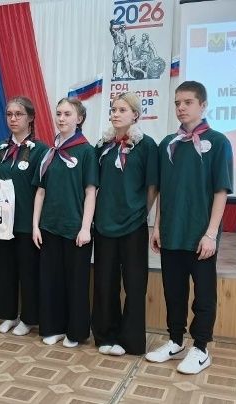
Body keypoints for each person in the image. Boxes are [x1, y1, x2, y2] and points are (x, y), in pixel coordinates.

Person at [146, 81, 233, 374]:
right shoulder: (168, 144)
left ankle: (201, 348)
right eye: (177, 103)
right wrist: (157, 226)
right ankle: (175, 341)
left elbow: (221, 191)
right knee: (174, 291)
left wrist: (211, 234)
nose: (181, 108)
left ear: (203, 105)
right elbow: (163, 190)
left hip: (200, 235)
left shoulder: (218, 142)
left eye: (188, 102)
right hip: (172, 231)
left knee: (204, 294)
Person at [92, 92, 158, 356]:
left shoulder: (147, 145)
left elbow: (152, 187)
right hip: (104, 224)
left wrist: (141, 212)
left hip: (133, 225)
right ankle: (106, 334)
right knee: (105, 282)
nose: (116, 114)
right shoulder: (103, 146)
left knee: (134, 283)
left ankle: (130, 340)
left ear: (135, 115)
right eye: (113, 109)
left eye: (122, 110)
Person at [32, 97, 98, 348]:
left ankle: (75, 332)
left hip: (75, 230)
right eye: (59, 113)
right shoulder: (49, 153)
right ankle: (54, 327)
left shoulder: (86, 151)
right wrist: (36, 225)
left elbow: (91, 192)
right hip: (49, 227)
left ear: (79, 119)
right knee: (51, 280)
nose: (61, 118)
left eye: (67, 114)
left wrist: (85, 228)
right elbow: (40, 192)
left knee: (76, 283)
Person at [0, 96, 49, 336]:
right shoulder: (0, 149)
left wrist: (36, 223)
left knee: (28, 271)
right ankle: (9, 314)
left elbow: (42, 189)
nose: (13, 119)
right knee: (4, 269)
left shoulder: (40, 150)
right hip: (2, 221)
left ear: (30, 118)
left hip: (26, 221)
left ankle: (29, 318)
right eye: (9, 114)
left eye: (19, 114)